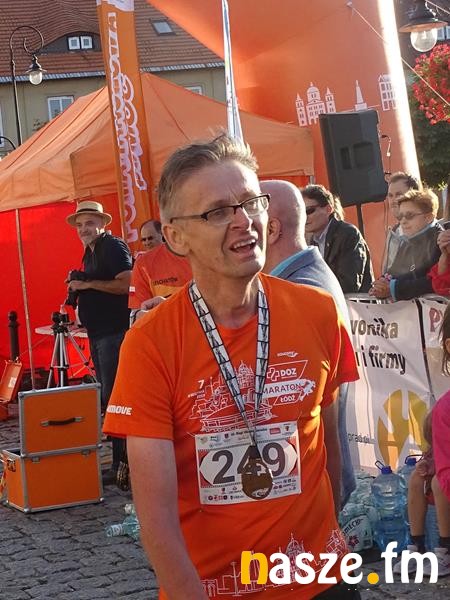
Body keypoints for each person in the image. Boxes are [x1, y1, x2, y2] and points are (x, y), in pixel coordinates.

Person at [104, 134, 360, 599]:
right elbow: (155, 513)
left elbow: (328, 446)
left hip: (320, 582)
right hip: (215, 588)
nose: (244, 221)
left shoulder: (319, 312)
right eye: (218, 212)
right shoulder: (150, 342)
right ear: (176, 237)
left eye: (250, 203)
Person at [262, 179, 355, 508]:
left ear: (271, 229)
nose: (237, 231)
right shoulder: (300, 278)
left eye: (247, 218)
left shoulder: (302, 290)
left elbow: (301, 399)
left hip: (310, 486)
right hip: (309, 480)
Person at [66, 200, 132, 482]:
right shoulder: (91, 251)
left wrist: (87, 284)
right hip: (99, 334)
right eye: (80, 225)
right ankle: (120, 464)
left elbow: (126, 284)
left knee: (116, 399)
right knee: (110, 398)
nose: (84, 229)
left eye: (90, 223)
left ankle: (122, 466)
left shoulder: (112, 246)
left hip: (114, 333)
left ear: (103, 224)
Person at [394, 303, 450, 578]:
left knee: (438, 482)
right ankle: (420, 546)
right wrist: (431, 462)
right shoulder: (444, 410)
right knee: (419, 478)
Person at [370, 189, 442, 301]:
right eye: (400, 216)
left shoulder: (441, 241)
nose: (403, 221)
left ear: (428, 217)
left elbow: (435, 282)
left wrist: (394, 288)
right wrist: (381, 285)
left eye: (409, 215)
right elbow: (393, 273)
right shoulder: (407, 242)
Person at [301, 184, 373, 294]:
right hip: (332, 301)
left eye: (309, 211)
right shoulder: (311, 242)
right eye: (301, 212)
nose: (305, 217)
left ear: (328, 209)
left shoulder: (348, 234)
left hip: (353, 303)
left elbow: (350, 284)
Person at [129, 242, 192, 312]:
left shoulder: (201, 256)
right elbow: (137, 313)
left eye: (150, 238)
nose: (147, 243)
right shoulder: (143, 264)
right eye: (143, 240)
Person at [382, 172, 420, 273]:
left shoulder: (427, 230)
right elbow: (388, 273)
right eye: (390, 196)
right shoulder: (394, 232)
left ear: (414, 195)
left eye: (398, 195)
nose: (393, 200)